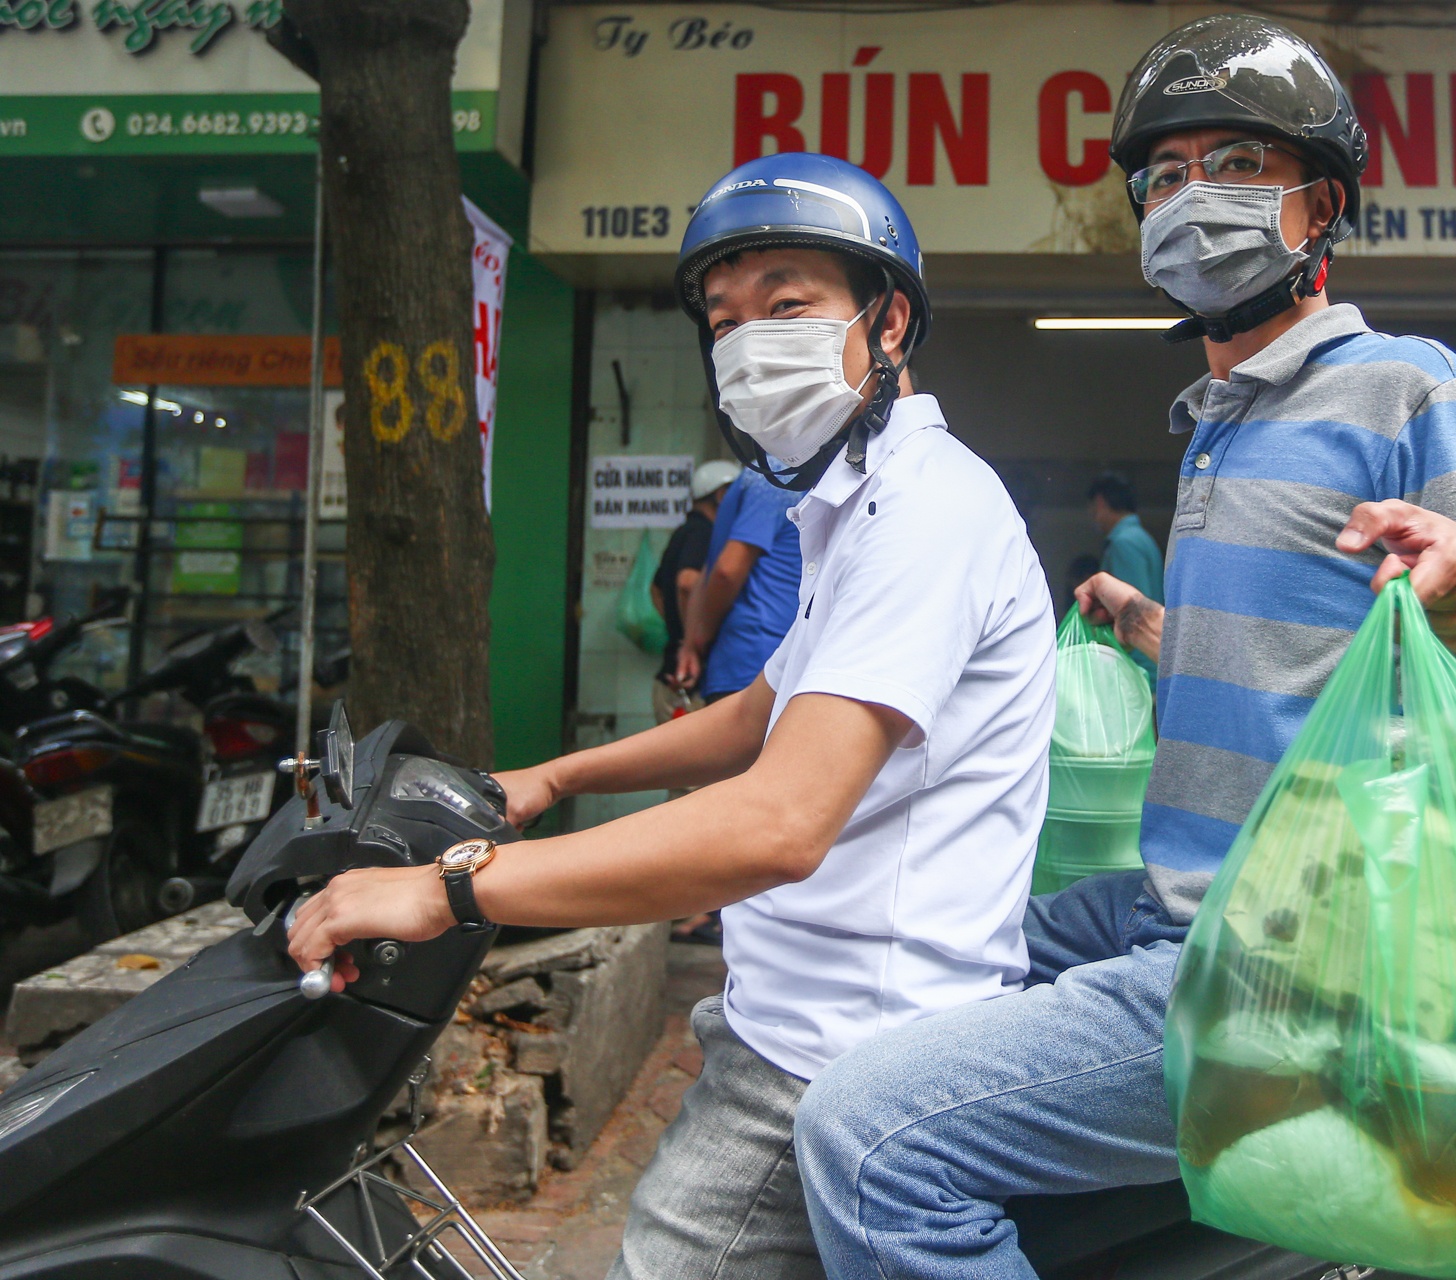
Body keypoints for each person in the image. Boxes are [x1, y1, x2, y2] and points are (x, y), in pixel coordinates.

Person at [790, 15, 1456, 1280]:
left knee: (868, 1137)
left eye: (1239, 164)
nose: (1196, 198)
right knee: (925, 945)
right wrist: (1149, 629)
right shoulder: (1214, 426)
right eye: (1168, 174)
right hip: (1173, 895)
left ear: (1324, 204)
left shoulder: (1412, 386)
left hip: (1303, 953)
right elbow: (1294, 666)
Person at [282, 152, 1056, 1280]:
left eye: (789, 305)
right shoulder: (849, 502)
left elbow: (778, 820)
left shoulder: (925, 509)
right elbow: (757, 710)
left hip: (838, 1053)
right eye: (726, 317)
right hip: (793, 1014)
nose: (749, 341)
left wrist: (448, 887)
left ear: (887, 322)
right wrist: (553, 776)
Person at [675, 463, 804, 701]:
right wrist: (702, 635)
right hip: (762, 663)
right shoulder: (776, 473)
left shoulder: (753, 478)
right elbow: (727, 570)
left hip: (740, 663)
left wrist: (691, 643)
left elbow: (708, 573)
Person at [652, 458, 739, 725]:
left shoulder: (684, 531)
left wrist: (676, 629)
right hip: (690, 684)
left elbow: (656, 590)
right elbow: (688, 583)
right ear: (722, 496)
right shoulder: (704, 533)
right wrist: (693, 643)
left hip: (670, 679)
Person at [1086, 472, 1162, 676]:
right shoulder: (1140, 538)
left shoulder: (1124, 544)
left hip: (1141, 670)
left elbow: (1133, 613)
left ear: (1100, 503)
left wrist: (1133, 674)